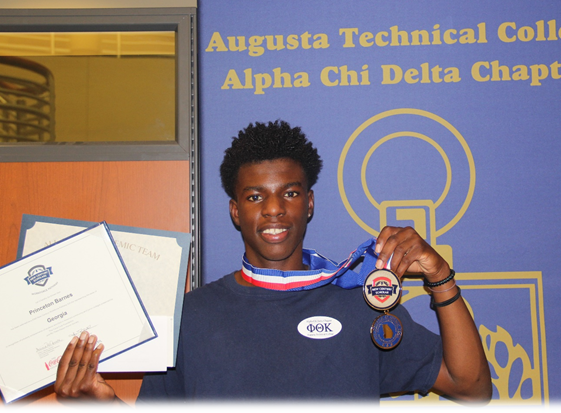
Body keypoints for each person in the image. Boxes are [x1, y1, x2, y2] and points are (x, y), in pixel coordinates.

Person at [53, 120, 491, 403]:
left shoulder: (361, 304)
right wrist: (101, 401)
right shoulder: (192, 315)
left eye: (290, 193)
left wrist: (440, 278)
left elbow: (471, 387)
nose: (275, 209)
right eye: (255, 196)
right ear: (235, 211)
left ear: (310, 203)